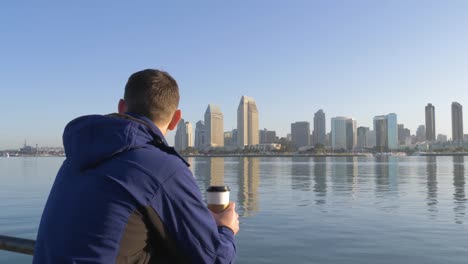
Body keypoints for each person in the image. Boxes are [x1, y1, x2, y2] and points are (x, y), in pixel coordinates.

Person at [33, 69, 239, 263]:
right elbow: (214, 259)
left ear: (122, 107)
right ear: (176, 119)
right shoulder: (162, 168)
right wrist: (226, 229)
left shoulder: (76, 158)